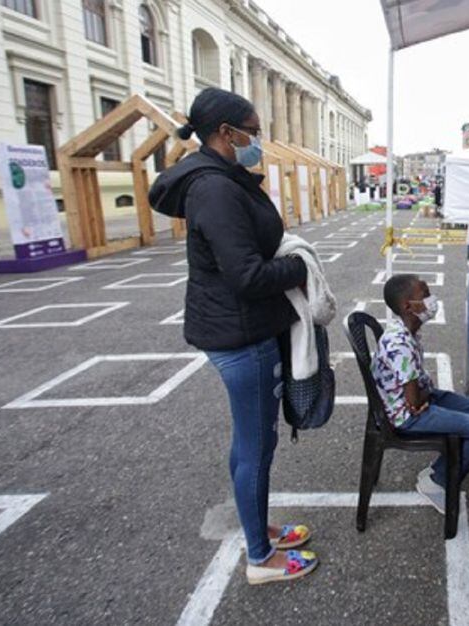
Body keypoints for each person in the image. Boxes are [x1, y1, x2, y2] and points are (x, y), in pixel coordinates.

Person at [150, 87, 317, 585]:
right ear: (227, 133)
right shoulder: (215, 189)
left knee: (252, 443)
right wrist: (299, 266)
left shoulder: (223, 178)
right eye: (254, 131)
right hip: (239, 336)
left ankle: (257, 527)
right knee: (255, 447)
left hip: (238, 327)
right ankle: (261, 558)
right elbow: (246, 275)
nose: (258, 141)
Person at [372, 274, 469, 514]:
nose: (432, 300)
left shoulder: (408, 331)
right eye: (425, 295)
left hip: (423, 396)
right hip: (407, 414)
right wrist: (423, 399)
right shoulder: (399, 344)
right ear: (408, 306)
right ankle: (438, 482)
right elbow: (414, 402)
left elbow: (418, 389)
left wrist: (426, 396)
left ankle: (441, 468)